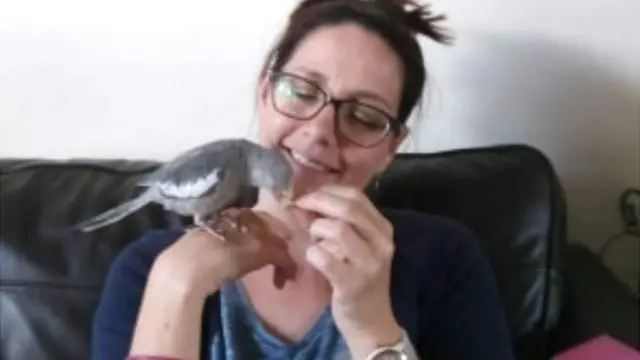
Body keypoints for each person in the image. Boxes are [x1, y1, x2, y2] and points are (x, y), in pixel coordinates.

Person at [91, 0, 516, 359]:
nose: (318, 131)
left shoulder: (446, 258)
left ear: (391, 148)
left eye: (364, 117)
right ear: (264, 92)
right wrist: (177, 287)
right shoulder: (150, 268)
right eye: (302, 91)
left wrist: (374, 330)